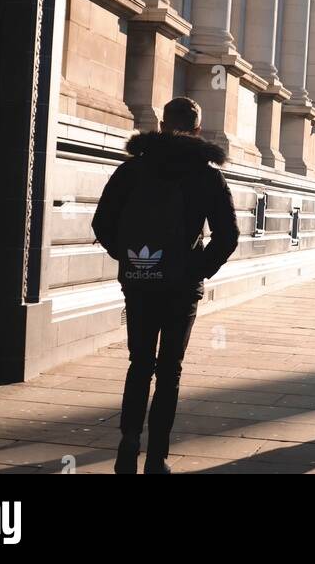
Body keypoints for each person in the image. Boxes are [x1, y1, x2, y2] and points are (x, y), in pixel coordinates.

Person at [93, 97, 240, 474]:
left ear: (161, 124)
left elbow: (102, 223)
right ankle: (157, 458)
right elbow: (228, 235)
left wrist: (133, 260)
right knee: (169, 369)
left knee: (139, 363)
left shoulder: (132, 169)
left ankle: (127, 446)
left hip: (140, 282)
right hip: (181, 286)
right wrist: (197, 270)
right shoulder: (207, 175)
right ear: (196, 129)